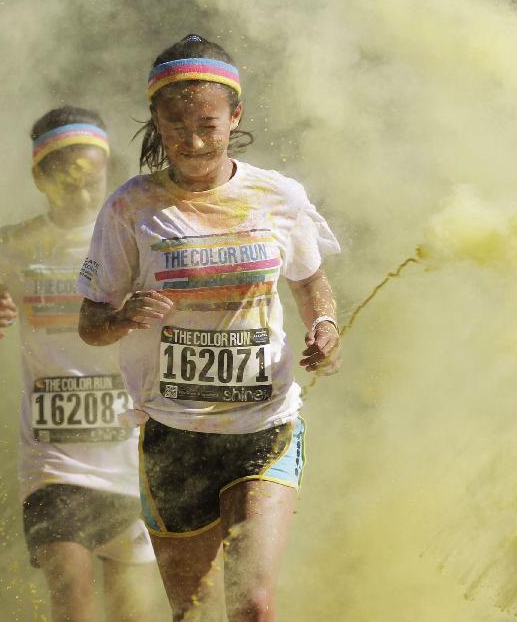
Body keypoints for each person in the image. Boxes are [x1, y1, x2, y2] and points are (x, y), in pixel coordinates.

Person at [77, 35, 342, 621]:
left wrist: (324, 326)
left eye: (208, 124)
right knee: (192, 613)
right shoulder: (130, 208)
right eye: (175, 125)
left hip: (263, 426)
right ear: (155, 120)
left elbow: (310, 282)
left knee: (252, 606)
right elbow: (91, 324)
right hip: (175, 436)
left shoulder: (279, 197)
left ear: (235, 117)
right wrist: (122, 318)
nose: (193, 141)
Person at [0, 106, 160, 622]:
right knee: (72, 607)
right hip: (52, 465)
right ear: (38, 178)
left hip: (129, 461)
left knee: (131, 615)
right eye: (65, 184)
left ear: (107, 176)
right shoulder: (14, 245)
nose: (80, 196)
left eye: (92, 184)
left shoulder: (131, 239)